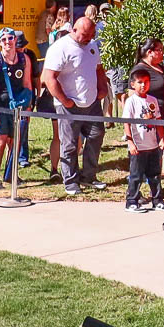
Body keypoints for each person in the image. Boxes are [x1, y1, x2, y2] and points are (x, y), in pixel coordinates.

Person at [43, 14, 111, 195]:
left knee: (97, 135)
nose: (88, 39)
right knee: (70, 144)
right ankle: (71, 181)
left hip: (92, 103)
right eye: (85, 35)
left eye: (91, 35)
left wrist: (102, 88)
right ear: (74, 30)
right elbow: (49, 78)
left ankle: (88, 176)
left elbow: (98, 69)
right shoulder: (60, 48)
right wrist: (65, 100)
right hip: (68, 106)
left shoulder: (92, 46)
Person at [0, 28, 38, 189]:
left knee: (14, 143)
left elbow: (27, 84)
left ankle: (11, 175)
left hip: (17, 108)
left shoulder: (24, 59)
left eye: (10, 38)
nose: (7, 42)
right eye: (3, 40)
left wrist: (28, 106)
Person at [122, 67, 164, 212]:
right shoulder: (131, 101)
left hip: (152, 145)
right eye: (140, 82)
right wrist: (130, 142)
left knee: (154, 175)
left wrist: (161, 139)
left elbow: (158, 121)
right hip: (138, 147)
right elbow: (126, 123)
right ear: (133, 84)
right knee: (136, 176)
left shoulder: (152, 101)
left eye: (146, 82)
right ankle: (132, 201)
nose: (143, 85)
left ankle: (157, 199)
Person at [138, 38, 164, 174]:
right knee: (148, 155)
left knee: (159, 152)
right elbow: (134, 96)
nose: (162, 53)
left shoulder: (162, 68)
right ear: (150, 52)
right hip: (149, 120)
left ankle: (155, 184)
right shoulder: (140, 69)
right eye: (159, 50)